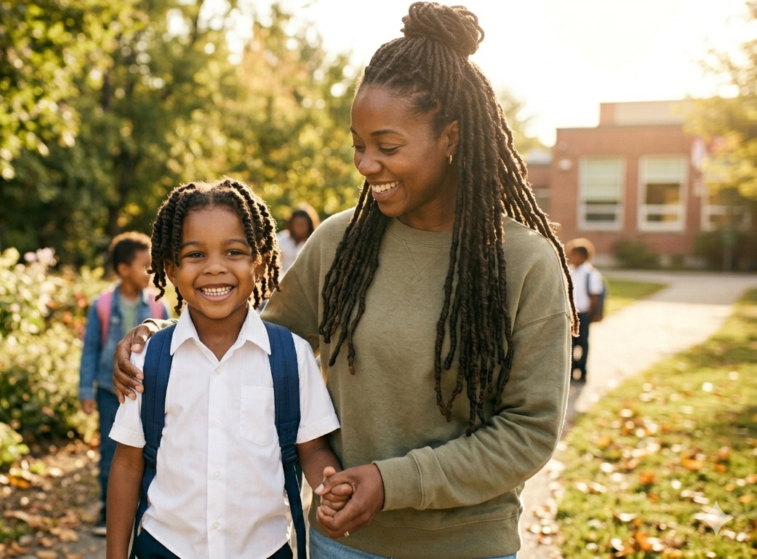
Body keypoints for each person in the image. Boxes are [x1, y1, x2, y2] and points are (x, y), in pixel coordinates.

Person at [113, 4, 576, 558]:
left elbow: (529, 431)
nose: (365, 164)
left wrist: (391, 482)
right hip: (344, 544)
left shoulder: (524, 265)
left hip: (467, 545)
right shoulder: (340, 244)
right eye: (358, 145)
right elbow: (248, 346)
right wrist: (157, 334)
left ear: (451, 137)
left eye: (388, 146)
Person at [106, 179, 348, 559]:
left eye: (234, 251)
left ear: (261, 261)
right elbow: (127, 464)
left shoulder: (292, 356)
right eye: (195, 255)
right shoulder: (148, 359)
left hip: (264, 549)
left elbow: (312, 448)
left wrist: (330, 486)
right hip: (166, 548)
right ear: (170, 268)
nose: (215, 268)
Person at [79, 232, 170, 536]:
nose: (151, 272)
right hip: (109, 390)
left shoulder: (159, 306)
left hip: (146, 392)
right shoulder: (102, 305)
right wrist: (85, 391)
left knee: (145, 453)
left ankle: (142, 512)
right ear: (123, 269)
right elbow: (90, 348)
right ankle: (109, 513)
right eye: (145, 266)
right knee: (110, 453)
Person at [567, 238, 604, 383]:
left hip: (583, 314)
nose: (571, 257)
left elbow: (595, 295)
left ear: (583, 256)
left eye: (574, 254)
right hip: (571, 314)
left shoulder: (591, 273)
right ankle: (571, 369)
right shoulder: (569, 270)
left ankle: (582, 371)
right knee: (570, 344)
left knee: (583, 343)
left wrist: (590, 312)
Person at [278, 203, 321, 272]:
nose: (299, 228)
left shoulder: (314, 243)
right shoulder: (282, 238)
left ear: (309, 225)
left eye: (302, 224)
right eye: (297, 224)